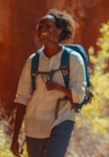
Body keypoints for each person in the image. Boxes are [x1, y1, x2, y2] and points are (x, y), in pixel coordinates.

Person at [11, 9, 86, 157]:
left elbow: (79, 95)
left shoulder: (73, 59)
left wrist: (58, 88)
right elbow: (22, 99)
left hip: (62, 120)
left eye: (47, 26)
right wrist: (15, 138)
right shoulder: (33, 61)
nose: (43, 30)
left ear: (59, 31)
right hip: (34, 126)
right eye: (40, 27)